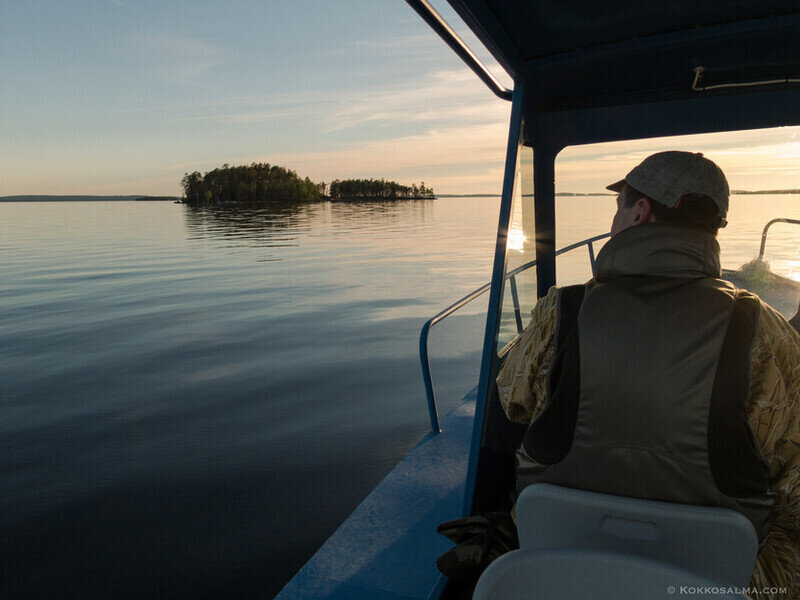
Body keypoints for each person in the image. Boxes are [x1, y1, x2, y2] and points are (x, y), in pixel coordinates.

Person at [496, 151, 800, 598]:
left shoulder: (561, 310)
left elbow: (513, 402)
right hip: (716, 580)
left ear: (639, 212)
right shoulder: (766, 331)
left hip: (565, 555)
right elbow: (791, 478)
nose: (614, 221)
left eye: (618, 207)